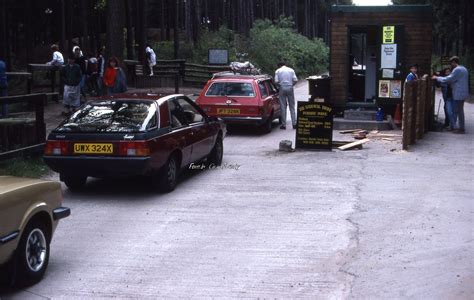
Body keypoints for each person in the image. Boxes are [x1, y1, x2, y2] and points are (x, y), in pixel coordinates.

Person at [433, 56, 469, 134]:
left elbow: (449, 79)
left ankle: (461, 128)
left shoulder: (457, 70)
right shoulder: (464, 69)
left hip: (458, 93)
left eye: (451, 63)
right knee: (458, 110)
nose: (451, 65)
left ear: (454, 62)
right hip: (463, 92)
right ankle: (455, 127)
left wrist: (437, 78)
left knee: (458, 111)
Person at [275, 62, 298, 129]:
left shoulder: (278, 71)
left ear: (279, 66)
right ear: (285, 65)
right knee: (292, 106)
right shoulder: (291, 70)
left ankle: (283, 125)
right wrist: (291, 85)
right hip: (290, 87)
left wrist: (280, 86)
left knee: (283, 106)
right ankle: (294, 124)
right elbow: (296, 80)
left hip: (282, 88)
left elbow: (276, 81)